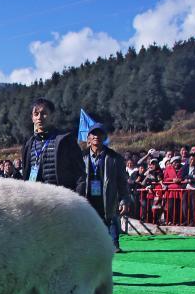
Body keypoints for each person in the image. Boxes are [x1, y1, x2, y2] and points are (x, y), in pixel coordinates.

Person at [20, 98, 85, 193]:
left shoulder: (66, 140)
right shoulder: (28, 145)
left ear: (53, 116)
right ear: (32, 118)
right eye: (36, 114)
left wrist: (78, 199)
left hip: (63, 201)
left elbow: (80, 176)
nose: (39, 117)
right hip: (37, 201)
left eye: (44, 113)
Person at [82, 124, 129, 252]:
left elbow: (122, 181)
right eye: (93, 134)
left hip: (108, 194)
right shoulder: (81, 157)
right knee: (88, 219)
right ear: (89, 138)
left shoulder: (114, 157)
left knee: (111, 218)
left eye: (99, 134)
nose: (96, 136)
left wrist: (124, 199)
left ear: (104, 137)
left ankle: (114, 244)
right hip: (87, 193)